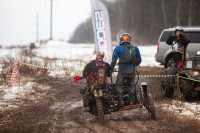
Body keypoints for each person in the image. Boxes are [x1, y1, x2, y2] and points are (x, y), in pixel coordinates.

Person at [111, 33, 142, 106]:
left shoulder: (118, 48)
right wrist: (134, 65)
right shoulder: (135, 48)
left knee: (118, 85)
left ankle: (120, 101)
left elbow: (113, 60)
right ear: (129, 39)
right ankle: (131, 101)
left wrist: (111, 69)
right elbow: (139, 60)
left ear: (121, 40)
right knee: (132, 85)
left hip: (122, 72)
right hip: (132, 72)